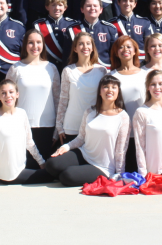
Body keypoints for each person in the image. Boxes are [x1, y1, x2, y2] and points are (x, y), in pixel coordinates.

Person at [46, 74, 130, 186]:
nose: (109, 90)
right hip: (84, 154)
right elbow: (81, 138)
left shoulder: (123, 117)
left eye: (114, 87)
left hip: (102, 166)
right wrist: (66, 146)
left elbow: (121, 150)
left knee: (67, 176)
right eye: (105, 87)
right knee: (52, 164)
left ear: (118, 92)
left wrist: (120, 174)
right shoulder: (89, 112)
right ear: (100, 92)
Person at [0, 79, 54, 187]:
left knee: (52, 165)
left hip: (22, 164)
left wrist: (41, 162)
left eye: (11, 92)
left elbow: (29, 142)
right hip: (9, 174)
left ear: (17, 94)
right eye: (3, 93)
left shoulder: (22, 113)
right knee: (52, 174)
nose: (8, 96)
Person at [7, 30, 61, 162]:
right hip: (22, 127)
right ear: (25, 45)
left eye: (38, 42)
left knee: (46, 170)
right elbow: (7, 100)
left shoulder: (51, 68)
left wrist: (57, 129)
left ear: (43, 45)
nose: (35, 46)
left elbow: (58, 100)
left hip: (47, 128)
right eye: (30, 43)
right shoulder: (16, 68)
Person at [55, 32, 108, 144]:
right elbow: (63, 99)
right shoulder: (68, 71)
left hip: (94, 125)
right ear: (75, 48)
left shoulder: (102, 71)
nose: (85, 47)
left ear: (93, 48)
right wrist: (59, 127)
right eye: (81, 44)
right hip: (72, 127)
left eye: (88, 43)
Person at [109, 35, 147, 171]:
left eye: (129, 47)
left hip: (142, 132)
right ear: (116, 52)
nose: (125, 49)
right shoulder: (111, 76)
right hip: (121, 133)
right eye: (121, 47)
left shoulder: (145, 74)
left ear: (136, 51)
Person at [65, 0, 118, 67]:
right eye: (88, 6)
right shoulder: (72, 30)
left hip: (105, 72)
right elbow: (67, 57)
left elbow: (115, 55)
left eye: (95, 6)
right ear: (82, 9)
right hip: (81, 72)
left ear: (101, 10)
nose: (92, 8)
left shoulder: (110, 29)